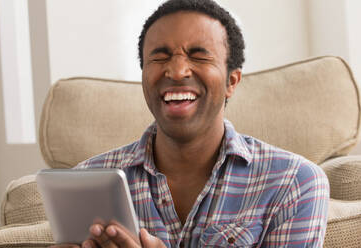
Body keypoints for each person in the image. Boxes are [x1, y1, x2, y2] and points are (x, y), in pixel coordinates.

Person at [53, 0, 329, 247]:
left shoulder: (294, 183)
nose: (176, 71)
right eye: (159, 57)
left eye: (198, 55)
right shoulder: (88, 181)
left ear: (231, 81)